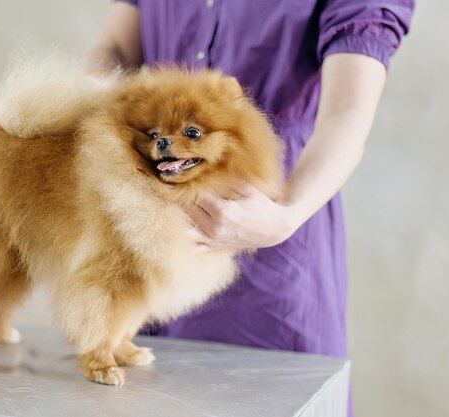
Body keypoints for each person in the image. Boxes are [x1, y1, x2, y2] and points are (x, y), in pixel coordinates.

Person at [87, 1, 414, 415]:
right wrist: (74, 122)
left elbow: (347, 112)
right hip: (149, 227)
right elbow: (116, 49)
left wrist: (286, 215)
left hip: (269, 232)